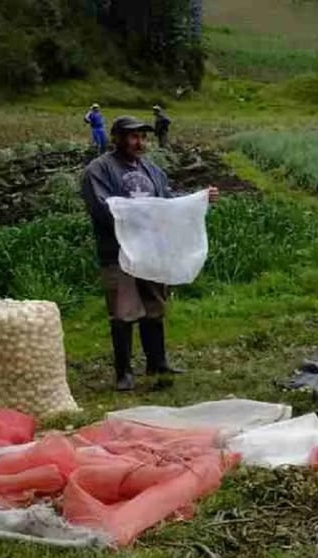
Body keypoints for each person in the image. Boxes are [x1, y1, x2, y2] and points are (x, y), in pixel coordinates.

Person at [80, 115, 219, 391]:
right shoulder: (99, 170)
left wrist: (199, 199)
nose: (139, 142)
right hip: (119, 252)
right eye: (133, 136)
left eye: (143, 137)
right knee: (123, 310)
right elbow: (102, 209)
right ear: (117, 137)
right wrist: (143, 216)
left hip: (152, 250)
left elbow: (166, 203)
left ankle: (157, 362)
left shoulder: (152, 170)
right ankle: (124, 372)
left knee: (154, 307)